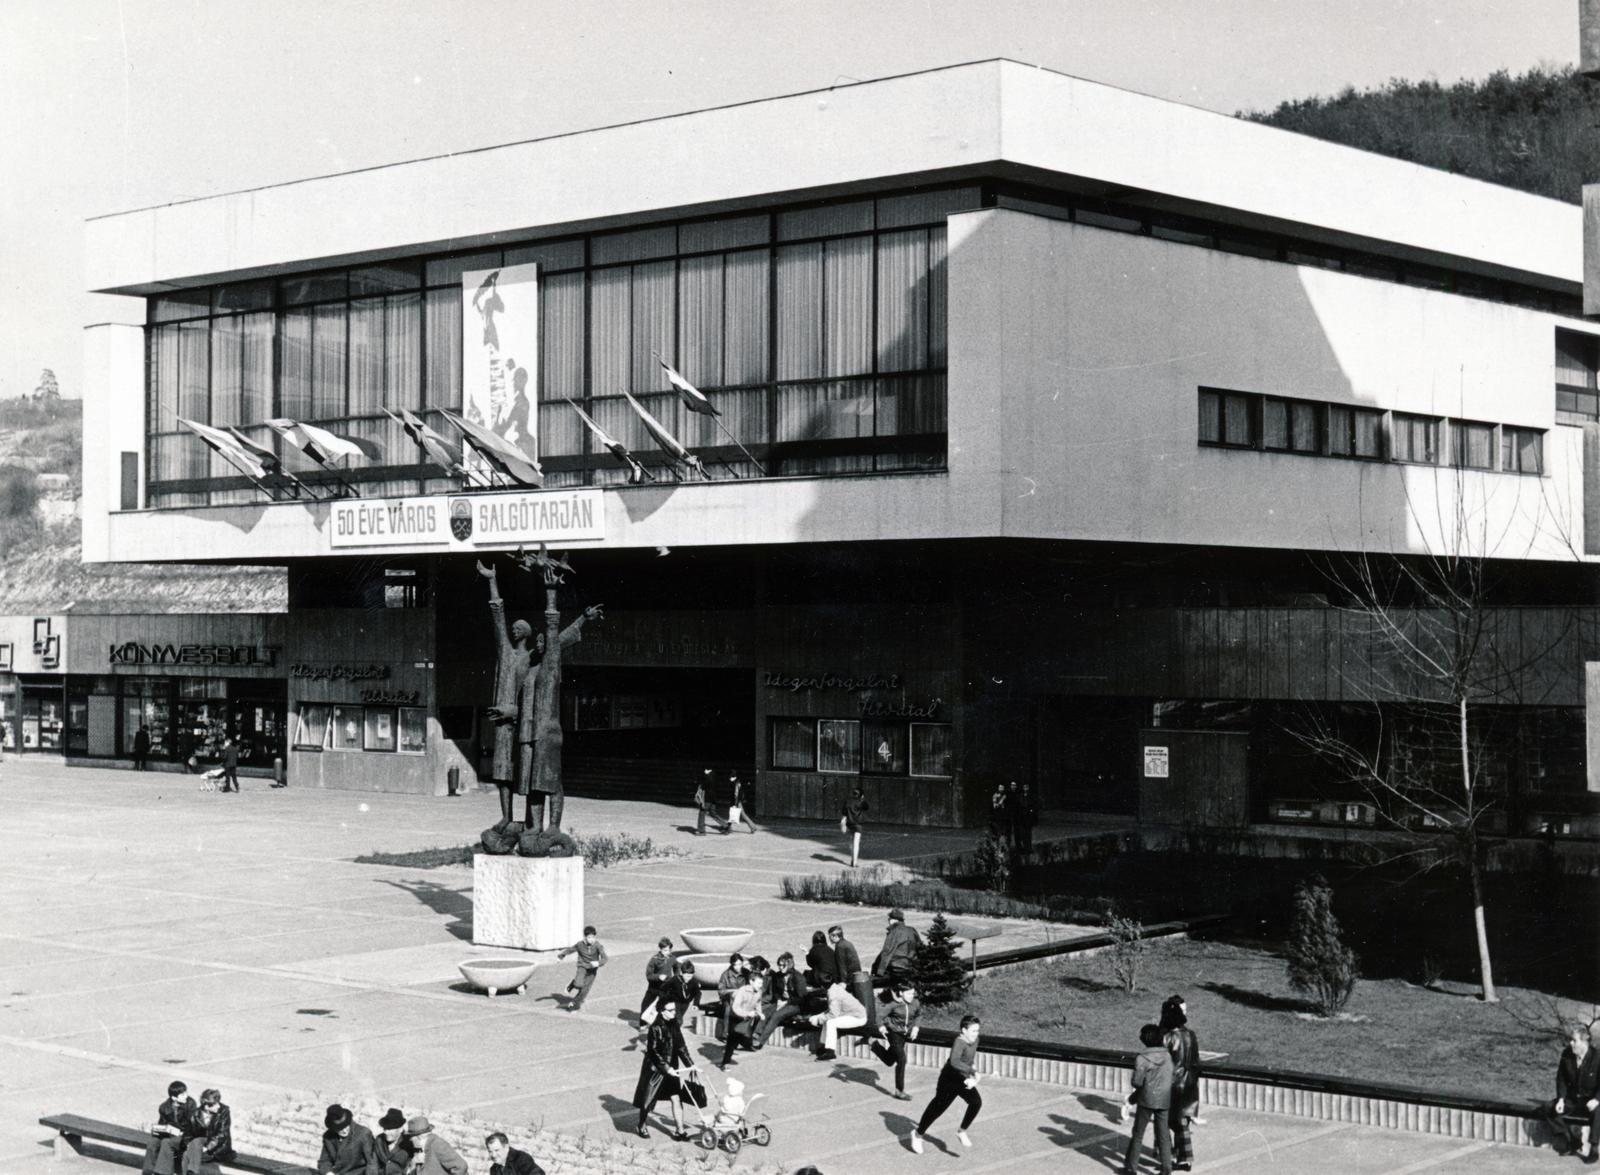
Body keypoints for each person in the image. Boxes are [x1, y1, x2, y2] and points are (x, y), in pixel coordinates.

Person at [909, 1015, 983, 1153]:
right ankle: (918, 1134)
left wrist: (971, 1075)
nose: (976, 1034)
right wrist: (973, 1071)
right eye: (973, 1031)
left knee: (976, 1102)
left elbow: (968, 1059)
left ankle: (962, 1131)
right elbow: (955, 1062)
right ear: (964, 1030)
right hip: (949, 1078)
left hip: (962, 1078)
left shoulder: (976, 1040)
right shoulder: (959, 1042)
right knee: (938, 1108)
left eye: (978, 1030)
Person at [632, 999, 698, 1140]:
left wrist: (690, 1064)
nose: (675, 1012)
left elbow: (681, 1046)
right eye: (671, 1010)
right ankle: (641, 1125)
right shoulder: (655, 1027)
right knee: (648, 1100)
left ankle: (679, 1130)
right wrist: (667, 1068)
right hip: (656, 1069)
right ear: (662, 1011)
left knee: (676, 1098)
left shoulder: (674, 1024)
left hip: (671, 1067)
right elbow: (653, 1051)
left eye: (675, 1009)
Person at [1123, 1023, 1174, 1175]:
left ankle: (1131, 1167)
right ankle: (1166, 1168)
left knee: (1138, 1133)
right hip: (1164, 1098)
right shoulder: (1167, 1056)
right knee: (1163, 1134)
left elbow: (1136, 1082)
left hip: (1146, 1099)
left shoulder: (1142, 1058)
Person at [1547, 1025, 1600, 1159]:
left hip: (1591, 1100)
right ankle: (1571, 1140)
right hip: (1573, 1100)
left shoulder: (1597, 1057)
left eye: (1574, 1040)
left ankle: (1594, 1149)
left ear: (1584, 1042)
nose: (1571, 1043)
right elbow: (1561, 1079)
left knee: (1599, 1111)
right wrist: (1560, 1099)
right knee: (1548, 1108)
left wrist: (1597, 1099)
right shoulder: (1567, 1055)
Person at [1160, 995, 1201, 1171]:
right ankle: (1184, 1158)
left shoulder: (1167, 1037)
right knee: (1182, 1121)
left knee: (1166, 1121)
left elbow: (1162, 1062)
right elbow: (1196, 1059)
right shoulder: (1190, 1035)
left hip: (1173, 1083)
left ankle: (1169, 1156)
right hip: (1190, 1081)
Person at [872, 979, 922, 1100]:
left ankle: (872, 1044)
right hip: (893, 1033)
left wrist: (916, 1027)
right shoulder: (893, 1004)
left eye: (913, 993)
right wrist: (882, 1027)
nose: (912, 996)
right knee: (902, 1059)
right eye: (909, 993)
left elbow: (919, 1014)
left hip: (904, 1034)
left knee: (889, 1061)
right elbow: (879, 1016)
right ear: (901, 993)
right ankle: (899, 1091)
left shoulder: (915, 1002)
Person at [753, 951, 807, 1048]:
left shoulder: (798, 977)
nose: (780, 968)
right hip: (781, 1002)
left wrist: (787, 1002)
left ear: (789, 965)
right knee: (766, 1010)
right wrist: (778, 1000)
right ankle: (755, 1035)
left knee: (777, 1015)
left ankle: (760, 1041)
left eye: (783, 965)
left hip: (795, 1004)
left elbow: (802, 998)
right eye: (779, 965)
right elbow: (776, 992)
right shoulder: (778, 976)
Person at [141, 1080, 194, 1175]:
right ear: (174, 1098)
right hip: (170, 1134)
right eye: (182, 1094)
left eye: (186, 1092)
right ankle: (147, 1172)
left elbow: (192, 1126)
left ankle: (162, 1173)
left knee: (166, 1143)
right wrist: (156, 1130)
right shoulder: (164, 1107)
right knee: (152, 1142)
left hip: (184, 1136)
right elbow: (162, 1124)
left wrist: (180, 1132)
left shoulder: (190, 1104)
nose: (186, 1095)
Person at [809, 980, 868, 1061]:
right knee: (828, 1020)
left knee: (831, 1022)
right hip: (852, 1015)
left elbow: (833, 1014)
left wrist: (818, 1020)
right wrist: (819, 1016)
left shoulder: (833, 994)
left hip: (858, 1018)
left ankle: (830, 1053)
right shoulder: (834, 988)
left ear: (822, 987)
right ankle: (823, 1047)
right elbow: (832, 1009)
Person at [178, 1088, 233, 1174]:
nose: (219, 1106)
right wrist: (190, 1145)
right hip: (197, 1148)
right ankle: (192, 1172)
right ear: (206, 1106)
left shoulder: (223, 1112)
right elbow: (187, 1135)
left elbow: (222, 1135)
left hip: (218, 1148)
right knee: (188, 1152)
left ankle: (192, 1172)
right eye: (216, 1104)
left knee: (191, 1149)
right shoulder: (195, 1114)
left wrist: (207, 1148)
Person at [829, 924, 873, 1029]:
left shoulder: (839, 946)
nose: (829, 939)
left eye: (830, 936)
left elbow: (842, 966)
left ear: (835, 936)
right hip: (856, 976)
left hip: (849, 978)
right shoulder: (847, 943)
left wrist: (843, 982)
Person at [556, 925, 608, 1012]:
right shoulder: (580, 945)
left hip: (592, 970)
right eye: (589, 937)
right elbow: (570, 949)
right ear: (585, 937)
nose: (591, 939)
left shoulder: (598, 946)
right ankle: (573, 984)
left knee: (585, 990)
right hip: (582, 967)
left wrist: (598, 963)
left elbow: (605, 958)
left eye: (593, 937)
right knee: (578, 984)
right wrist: (561, 956)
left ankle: (574, 1004)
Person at [318, 1104, 378, 1175]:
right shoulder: (328, 1137)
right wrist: (328, 1173)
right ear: (333, 1128)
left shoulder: (363, 1134)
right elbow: (324, 1161)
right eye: (340, 1128)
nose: (344, 1131)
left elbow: (372, 1163)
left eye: (346, 1126)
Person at [721, 972, 764, 1068]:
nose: (760, 986)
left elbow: (758, 1003)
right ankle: (725, 1063)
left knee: (741, 1037)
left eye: (761, 983)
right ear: (751, 982)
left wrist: (759, 1012)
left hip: (746, 1018)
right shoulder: (742, 991)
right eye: (758, 983)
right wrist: (747, 1013)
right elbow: (735, 1007)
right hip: (735, 1017)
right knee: (731, 1041)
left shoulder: (759, 992)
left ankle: (744, 1042)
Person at [397, 1116, 466, 1175]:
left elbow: (460, 1166)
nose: (410, 1140)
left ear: (419, 1137)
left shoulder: (437, 1144)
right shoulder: (421, 1148)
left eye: (411, 1137)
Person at [872, 907, 922, 987]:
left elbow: (887, 952)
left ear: (892, 920)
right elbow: (920, 947)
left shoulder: (894, 932)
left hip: (897, 969)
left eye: (889, 919)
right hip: (912, 967)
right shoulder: (912, 930)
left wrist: (879, 972)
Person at [642, 937, 677, 1016]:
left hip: (667, 986)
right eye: (664, 950)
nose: (667, 952)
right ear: (660, 949)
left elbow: (677, 967)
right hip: (654, 986)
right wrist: (658, 977)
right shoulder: (654, 959)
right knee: (646, 1005)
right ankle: (643, 1024)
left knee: (666, 1006)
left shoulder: (672, 958)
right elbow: (649, 975)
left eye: (668, 950)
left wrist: (675, 978)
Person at [372, 1109, 407, 1175]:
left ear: (400, 1129)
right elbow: (373, 1164)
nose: (386, 1132)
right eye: (385, 1129)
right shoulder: (379, 1140)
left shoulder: (408, 1143)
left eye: (390, 1129)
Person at [842, 786, 868, 867]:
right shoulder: (861, 802)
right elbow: (866, 807)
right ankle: (854, 861)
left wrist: (843, 824)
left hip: (849, 823)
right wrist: (862, 799)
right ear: (861, 795)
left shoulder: (847, 801)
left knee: (851, 842)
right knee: (856, 843)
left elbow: (844, 814)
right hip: (857, 824)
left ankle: (852, 859)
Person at [693, 770, 725, 835]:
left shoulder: (708, 776)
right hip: (713, 798)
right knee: (713, 813)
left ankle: (701, 830)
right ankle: (726, 826)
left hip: (707, 798)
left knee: (702, 812)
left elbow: (705, 785)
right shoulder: (714, 775)